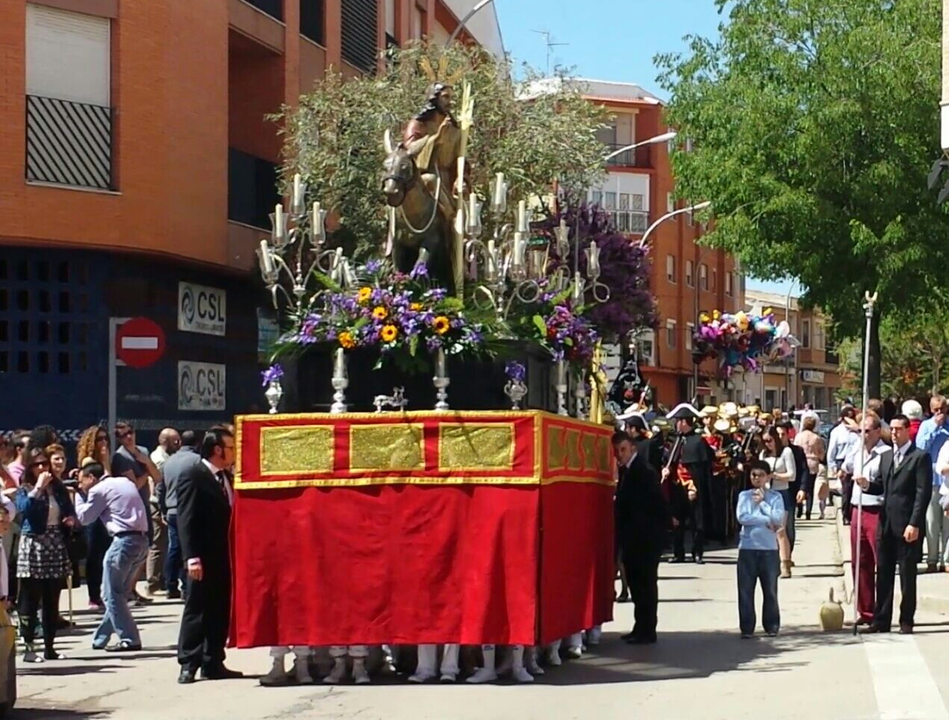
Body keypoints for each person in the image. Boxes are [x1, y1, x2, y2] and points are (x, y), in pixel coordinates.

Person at [176, 427, 243, 684]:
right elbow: (186, 519)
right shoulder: (194, 475)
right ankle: (188, 662)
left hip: (223, 555)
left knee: (219, 607)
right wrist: (191, 557)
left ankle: (213, 659)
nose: (233, 453)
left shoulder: (227, 476)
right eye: (230, 448)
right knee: (197, 608)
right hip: (201, 557)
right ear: (217, 450)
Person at [859, 415, 931, 634]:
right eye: (891, 429)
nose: (894, 433)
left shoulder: (919, 457)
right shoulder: (886, 456)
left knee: (907, 576)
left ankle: (906, 619)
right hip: (887, 524)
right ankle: (881, 619)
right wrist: (866, 485)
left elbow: (922, 493)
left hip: (907, 524)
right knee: (884, 573)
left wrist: (914, 523)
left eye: (899, 429)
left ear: (908, 430)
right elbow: (882, 486)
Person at [74, 462, 149, 651]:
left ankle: (130, 639)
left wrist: (76, 495)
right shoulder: (125, 481)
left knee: (110, 595)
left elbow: (85, 518)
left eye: (81, 481)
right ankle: (100, 638)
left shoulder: (98, 489)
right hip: (141, 541)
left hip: (122, 542)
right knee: (118, 593)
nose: (80, 484)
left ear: (91, 478)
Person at [14, 447, 77, 662]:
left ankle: (50, 648)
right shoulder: (25, 489)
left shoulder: (58, 488)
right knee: (30, 600)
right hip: (33, 544)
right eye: (37, 464)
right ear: (30, 468)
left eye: (44, 464)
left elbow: (69, 509)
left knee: (52, 599)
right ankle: (29, 648)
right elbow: (24, 510)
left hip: (55, 543)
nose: (42, 468)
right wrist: (38, 488)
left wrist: (69, 520)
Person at [613, 431, 670, 645]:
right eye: (617, 451)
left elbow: (656, 503)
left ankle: (647, 630)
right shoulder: (627, 470)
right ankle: (640, 626)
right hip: (633, 538)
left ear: (633, 448)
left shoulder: (643, 471)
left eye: (623, 450)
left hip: (645, 538)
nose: (620, 455)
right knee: (636, 584)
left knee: (645, 584)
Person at [842, 414, 889, 625]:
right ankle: (865, 610)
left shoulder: (885, 453)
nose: (864, 435)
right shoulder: (857, 450)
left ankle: (882, 611)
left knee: (879, 560)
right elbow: (846, 467)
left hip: (876, 508)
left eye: (867, 431)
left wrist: (867, 482)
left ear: (878, 431)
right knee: (859, 561)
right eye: (861, 431)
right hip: (857, 508)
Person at [111, 423, 161, 605]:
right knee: (134, 550)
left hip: (145, 505)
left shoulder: (143, 451)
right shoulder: (120, 457)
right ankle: (126, 590)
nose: (128, 437)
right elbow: (133, 486)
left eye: (130, 433)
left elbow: (158, 477)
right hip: (129, 509)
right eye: (123, 435)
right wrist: (147, 473)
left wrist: (146, 463)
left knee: (146, 547)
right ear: (119, 438)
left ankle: (132, 589)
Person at [735, 460, 786, 638]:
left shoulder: (775, 497)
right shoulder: (744, 496)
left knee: (770, 590)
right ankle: (747, 627)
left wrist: (764, 503)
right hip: (748, 548)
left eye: (760, 475)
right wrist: (766, 520)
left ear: (767, 477)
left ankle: (771, 625)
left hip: (769, 549)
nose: (756, 479)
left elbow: (778, 519)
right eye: (753, 475)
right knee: (745, 591)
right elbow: (742, 517)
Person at [663, 403, 714, 564]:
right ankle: (679, 553)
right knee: (677, 520)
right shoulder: (677, 440)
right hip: (677, 487)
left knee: (696, 521)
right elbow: (671, 460)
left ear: (684, 422)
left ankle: (697, 553)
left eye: (678, 421)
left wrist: (695, 487)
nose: (676, 424)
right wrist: (666, 469)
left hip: (692, 487)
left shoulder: (698, 441)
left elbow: (701, 469)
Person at [159, 430, 201, 600]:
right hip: (190, 510)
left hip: (171, 511)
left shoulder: (169, 462)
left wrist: (163, 508)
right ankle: (186, 586)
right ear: (197, 443)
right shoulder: (197, 461)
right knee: (189, 548)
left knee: (174, 548)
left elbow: (160, 488)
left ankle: (170, 585)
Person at [75, 426, 113, 610]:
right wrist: (105, 463)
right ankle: (93, 594)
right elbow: (104, 483)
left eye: (106, 439)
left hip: (105, 511)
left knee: (105, 552)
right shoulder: (89, 461)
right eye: (100, 439)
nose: (104, 443)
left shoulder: (105, 460)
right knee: (94, 554)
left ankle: (104, 592)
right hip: (93, 510)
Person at [915, 396, 949, 573]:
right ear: (930, 409)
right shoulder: (926, 426)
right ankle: (932, 559)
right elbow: (920, 447)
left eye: (942, 409)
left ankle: (946, 559)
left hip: (947, 482)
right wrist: (936, 426)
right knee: (931, 522)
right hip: (931, 480)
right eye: (936, 409)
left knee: (947, 522)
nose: (940, 413)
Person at [145, 428, 178, 596]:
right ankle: (153, 582)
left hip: (164, 504)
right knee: (157, 544)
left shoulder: (167, 458)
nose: (178, 444)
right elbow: (159, 485)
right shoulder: (159, 459)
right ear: (166, 441)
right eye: (175, 441)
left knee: (166, 544)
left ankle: (162, 579)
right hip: (157, 505)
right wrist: (162, 508)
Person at [759, 427, 796, 578]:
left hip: (781, 493)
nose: (767, 444)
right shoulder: (763, 454)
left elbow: (792, 475)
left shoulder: (786, 452)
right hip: (767, 494)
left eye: (770, 440)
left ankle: (785, 564)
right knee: (768, 531)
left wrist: (775, 476)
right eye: (764, 441)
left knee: (781, 531)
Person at [828, 406, 860, 525]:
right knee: (846, 490)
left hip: (856, 461)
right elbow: (832, 450)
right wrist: (833, 467)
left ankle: (853, 513)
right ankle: (846, 515)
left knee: (855, 489)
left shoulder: (857, 431)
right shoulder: (837, 432)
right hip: (842, 461)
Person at [794, 415, 826, 519]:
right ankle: (808, 511)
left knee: (800, 486)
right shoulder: (816, 438)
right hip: (812, 463)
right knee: (810, 488)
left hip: (801, 462)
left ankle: (799, 508)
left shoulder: (799, 436)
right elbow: (821, 453)